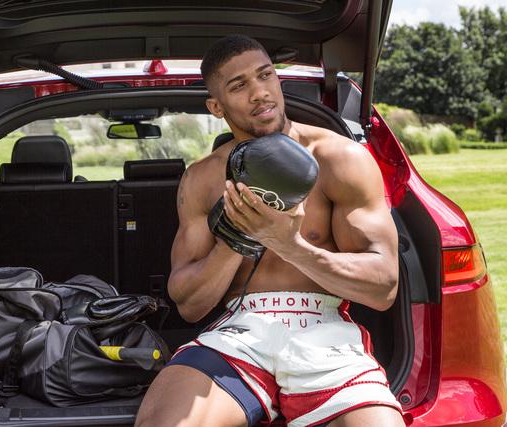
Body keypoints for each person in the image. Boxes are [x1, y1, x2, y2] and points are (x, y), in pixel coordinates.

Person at [135, 35, 405, 427]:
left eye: (265, 75)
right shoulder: (203, 179)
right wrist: (238, 236)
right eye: (239, 85)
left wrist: (289, 244)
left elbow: (383, 288)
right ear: (216, 106)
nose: (260, 92)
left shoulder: (340, 158)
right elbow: (189, 304)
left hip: (324, 329)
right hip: (239, 331)